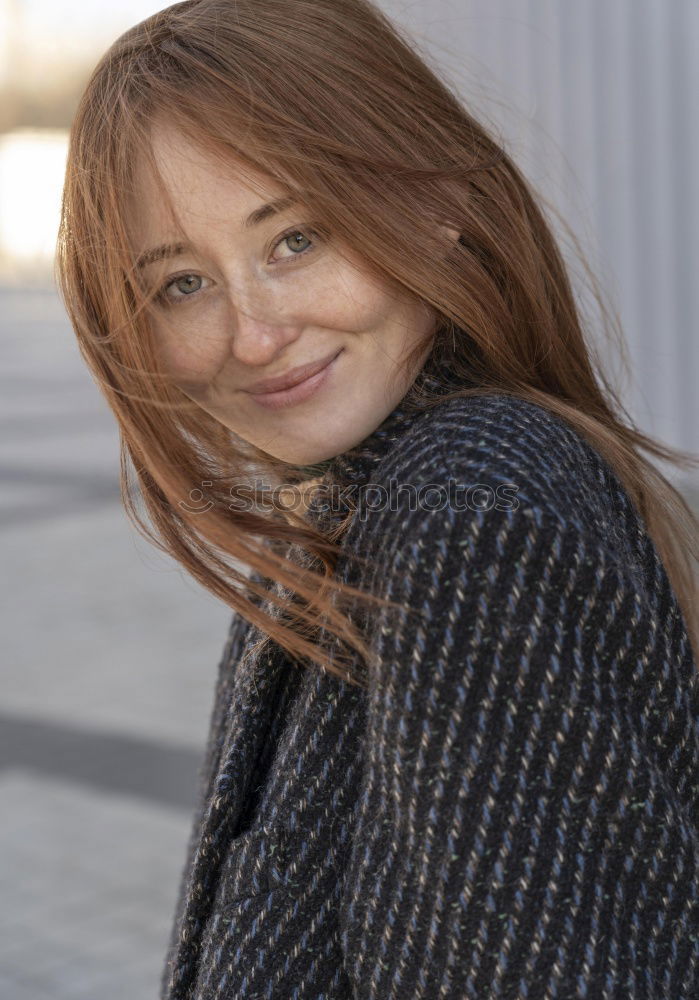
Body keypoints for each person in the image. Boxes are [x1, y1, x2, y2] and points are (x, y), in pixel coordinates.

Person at [56, 1, 699, 997]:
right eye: (182, 285)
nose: (254, 333)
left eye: (296, 238)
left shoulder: (469, 511)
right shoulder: (342, 515)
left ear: (435, 202)